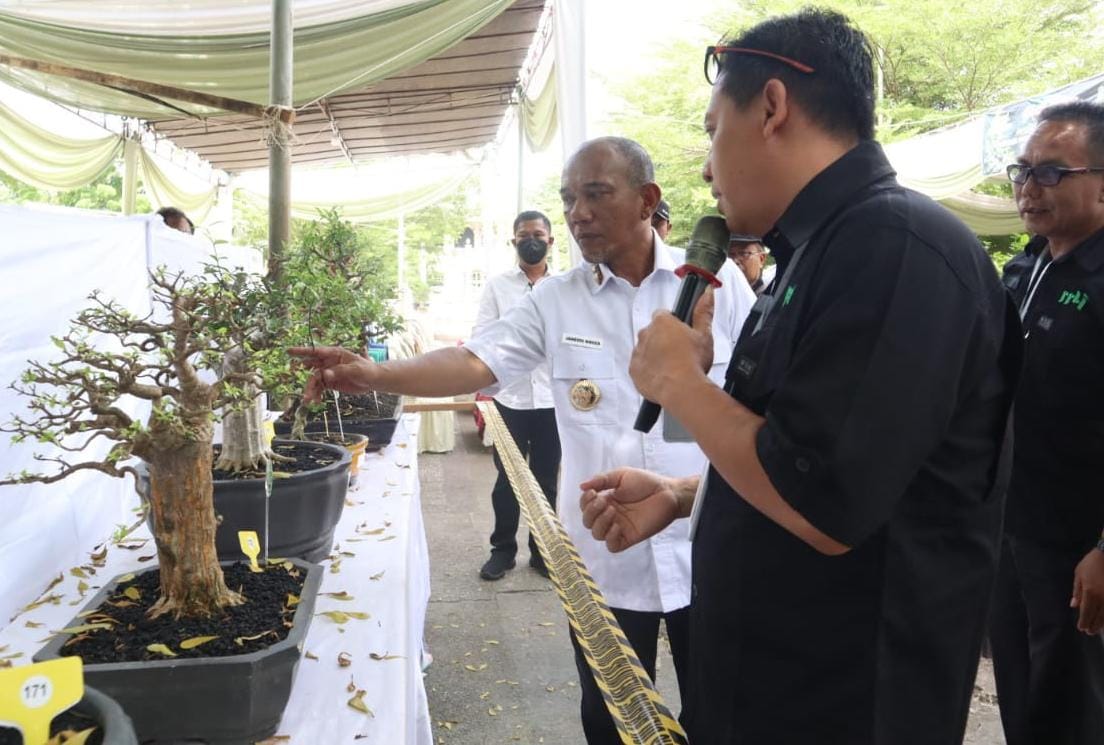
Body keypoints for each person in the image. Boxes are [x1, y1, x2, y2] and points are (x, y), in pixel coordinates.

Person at [579, 9, 1021, 744]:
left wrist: (683, 386)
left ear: (774, 107)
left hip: (842, 700)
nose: (705, 164)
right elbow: (809, 447)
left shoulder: (893, 245)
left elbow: (823, 502)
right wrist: (688, 493)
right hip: (772, 684)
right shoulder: (823, 250)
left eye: (714, 127)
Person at [291, 136, 755, 744]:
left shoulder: (716, 286)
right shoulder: (555, 301)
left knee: (724, 711)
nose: (577, 213)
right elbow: (473, 362)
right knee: (609, 716)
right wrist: (376, 375)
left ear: (648, 200)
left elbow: (762, 391)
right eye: (569, 199)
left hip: (706, 540)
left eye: (596, 194)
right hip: (603, 546)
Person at [988, 101, 1104, 745]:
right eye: (1023, 171)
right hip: (1011, 527)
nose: (1029, 188)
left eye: (1053, 172)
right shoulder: (1026, 267)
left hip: (1080, 545)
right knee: (1023, 697)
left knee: (1075, 709)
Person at [473, 210, 561, 581]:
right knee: (507, 478)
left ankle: (543, 553)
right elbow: (483, 335)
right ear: (514, 241)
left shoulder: (564, 286)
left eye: (538, 234)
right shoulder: (497, 286)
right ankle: (502, 550)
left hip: (554, 400)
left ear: (550, 241)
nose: (531, 240)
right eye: (524, 235)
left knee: (547, 480)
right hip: (510, 398)